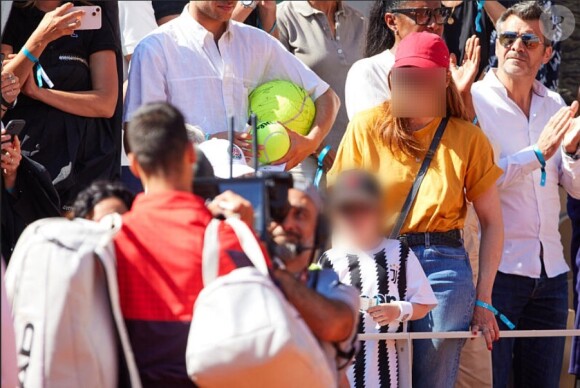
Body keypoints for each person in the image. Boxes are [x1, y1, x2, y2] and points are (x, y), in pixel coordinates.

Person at [329, 32, 504, 388]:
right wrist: (342, 269)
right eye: (406, 76)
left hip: (443, 261)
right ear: (393, 79)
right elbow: (340, 205)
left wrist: (484, 300)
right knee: (373, 365)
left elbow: (493, 222)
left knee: (433, 366)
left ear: (443, 81)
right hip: (377, 257)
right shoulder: (366, 126)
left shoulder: (468, 138)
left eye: (424, 76)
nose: (414, 84)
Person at [115, 102, 270, 387]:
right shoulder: (229, 236)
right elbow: (268, 321)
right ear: (190, 154)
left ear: (134, 166)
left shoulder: (110, 241)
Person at [470, 3, 580, 387]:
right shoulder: (474, 101)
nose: (517, 45)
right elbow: (478, 181)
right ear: (495, 45)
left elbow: (575, 187)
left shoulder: (555, 104)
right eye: (509, 37)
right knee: (494, 382)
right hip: (498, 275)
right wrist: (538, 154)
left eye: (529, 39)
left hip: (550, 273)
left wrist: (572, 152)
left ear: (547, 53)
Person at [124, 0, 340, 172]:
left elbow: (326, 96)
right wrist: (207, 140)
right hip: (187, 193)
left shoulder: (257, 43)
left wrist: (310, 143)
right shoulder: (155, 48)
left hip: (252, 193)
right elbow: (138, 137)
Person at [320, 169, 437, 388]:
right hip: (340, 366)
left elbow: (425, 301)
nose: (355, 218)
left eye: (363, 209)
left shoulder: (399, 253)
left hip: (385, 364)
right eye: (347, 211)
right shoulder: (330, 259)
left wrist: (399, 310)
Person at [1, 1, 120, 210]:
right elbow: (6, 88)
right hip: (30, 159)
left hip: (87, 160)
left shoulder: (90, 16)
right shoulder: (12, 15)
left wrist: (39, 93)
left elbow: (106, 103)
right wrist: (41, 37)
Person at [268, 183, 359, 384]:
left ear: (320, 232)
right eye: (279, 215)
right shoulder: (243, 274)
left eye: (300, 215)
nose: (288, 224)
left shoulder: (335, 289)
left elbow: (335, 324)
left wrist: (274, 273)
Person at [344, 0, 480, 121]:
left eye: (439, 13)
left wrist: (461, 95)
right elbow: (384, 139)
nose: (434, 24)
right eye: (422, 14)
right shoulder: (368, 71)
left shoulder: (452, 72)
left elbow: (467, 142)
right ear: (392, 21)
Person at [277, 0, 366, 168]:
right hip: (304, 158)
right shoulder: (282, 16)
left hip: (357, 154)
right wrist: (319, 147)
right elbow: (278, 94)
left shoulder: (360, 20)